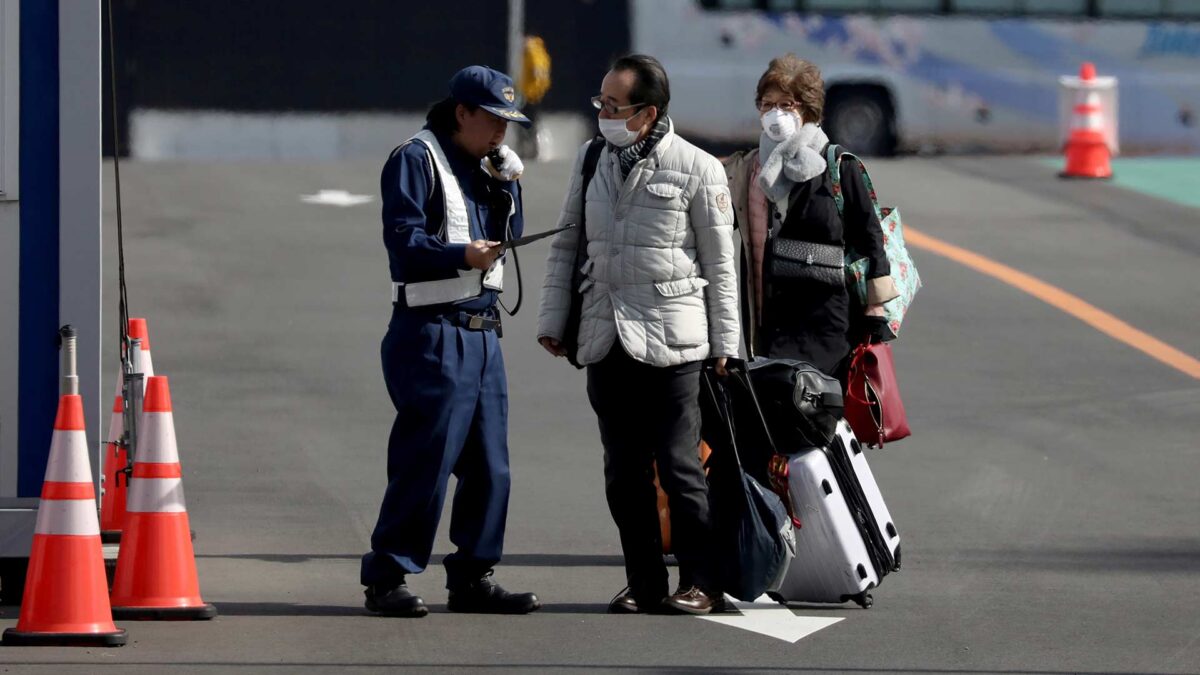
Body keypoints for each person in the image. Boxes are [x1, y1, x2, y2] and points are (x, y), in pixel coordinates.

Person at [536, 54, 741, 616]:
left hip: (675, 340)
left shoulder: (700, 167)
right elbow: (565, 244)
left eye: (613, 105)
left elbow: (722, 264)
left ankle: (701, 580)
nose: (603, 113)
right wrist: (554, 322)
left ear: (648, 113)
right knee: (622, 472)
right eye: (600, 102)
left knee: (678, 464)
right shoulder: (589, 159)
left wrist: (727, 345)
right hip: (606, 335)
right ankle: (645, 581)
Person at [361, 65, 541, 618]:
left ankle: (473, 576)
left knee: (491, 464)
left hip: (483, 331)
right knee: (426, 458)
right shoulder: (415, 158)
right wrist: (460, 255)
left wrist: (509, 186)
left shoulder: (485, 165)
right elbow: (404, 241)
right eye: (492, 120)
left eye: (508, 124)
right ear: (461, 112)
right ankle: (387, 576)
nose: (500, 134)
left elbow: (506, 238)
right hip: (432, 330)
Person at [722, 54, 898, 385]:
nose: (775, 114)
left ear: (808, 109)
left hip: (828, 322)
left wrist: (875, 309)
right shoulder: (747, 169)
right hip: (768, 316)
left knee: (822, 417)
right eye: (767, 104)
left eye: (786, 104)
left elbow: (869, 235)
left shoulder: (838, 165)